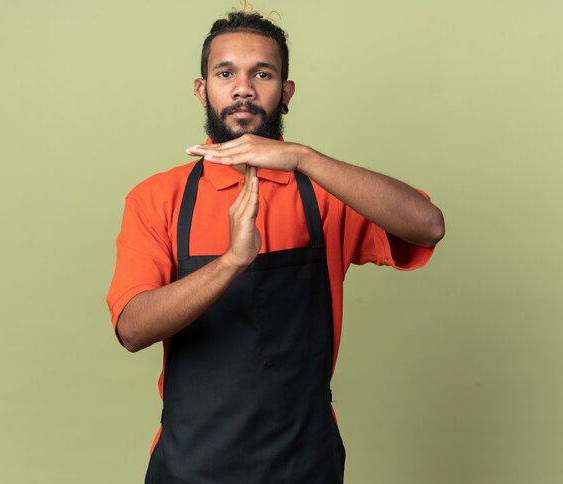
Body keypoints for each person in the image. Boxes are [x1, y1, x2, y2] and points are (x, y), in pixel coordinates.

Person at [106, 9, 445, 484]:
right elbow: (132, 330)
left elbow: (428, 226)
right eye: (226, 73)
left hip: (304, 462)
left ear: (285, 93)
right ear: (203, 89)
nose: (243, 87)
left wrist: (302, 157)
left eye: (261, 73)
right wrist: (230, 262)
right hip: (191, 464)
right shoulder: (158, 198)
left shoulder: (326, 192)